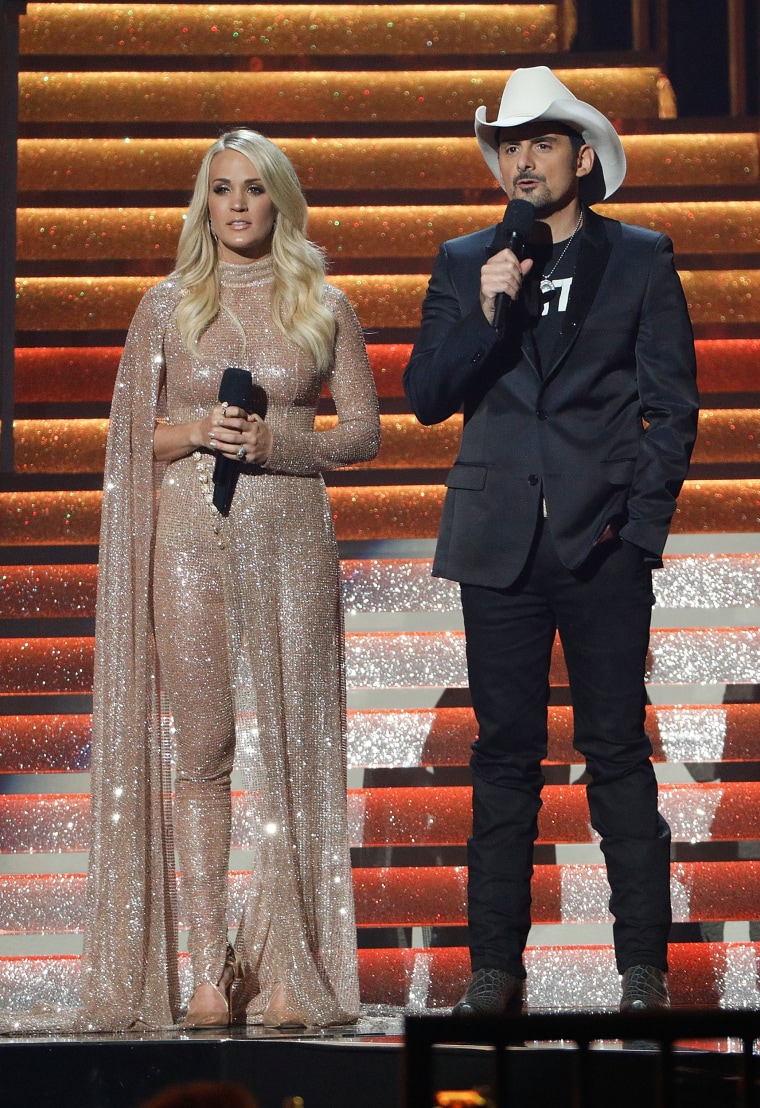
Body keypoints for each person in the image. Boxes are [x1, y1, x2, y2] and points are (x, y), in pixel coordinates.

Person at [403, 67, 699, 1014]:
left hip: (602, 543)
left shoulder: (641, 257)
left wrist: (639, 529)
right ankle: (495, 973)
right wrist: (490, 314)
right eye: (509, 145)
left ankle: (641, 974)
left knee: (615, 752)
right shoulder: (465, 262)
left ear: (582, 155)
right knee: (503, 759)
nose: (522, 160)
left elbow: (673, 408)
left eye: (541, 142)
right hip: (496, 545)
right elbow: (423, 397)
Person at [79, 128, 380, 1030]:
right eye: (222, 190)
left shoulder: (325, 304)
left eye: (254, 189)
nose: (238, 205)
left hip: (291, 538)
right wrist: (197, 430)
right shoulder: (164, 306)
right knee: (204, 752)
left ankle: (288, 967)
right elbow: (132, 438)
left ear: (279, 202)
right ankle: (211, 971)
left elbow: (363, 434)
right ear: (202, 204)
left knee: (290, 755)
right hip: (187, 536)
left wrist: (276, 442)